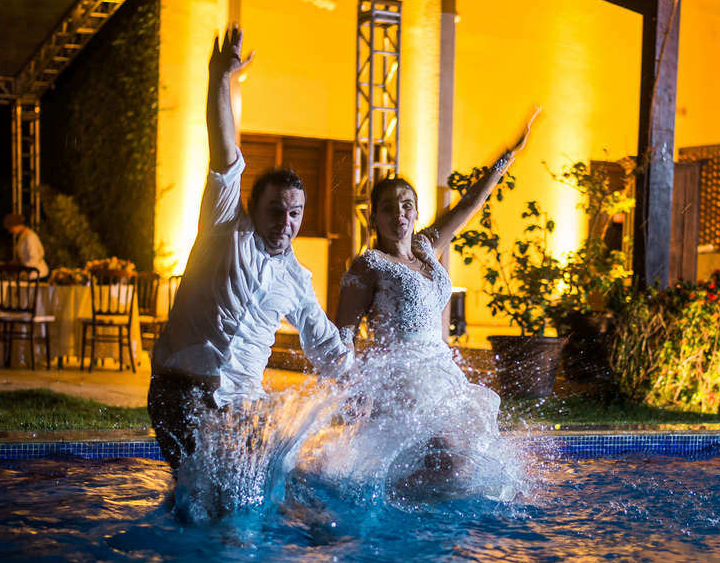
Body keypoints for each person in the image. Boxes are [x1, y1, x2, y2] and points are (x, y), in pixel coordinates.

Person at [148, 25, 352, 472]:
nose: (286, 222)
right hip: (181, 392)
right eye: (275, 209)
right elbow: (223, 153)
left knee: (263, 493)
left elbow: (328, 349)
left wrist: (375, 388)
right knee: (210, 498)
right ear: (252, 207)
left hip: (241, 406)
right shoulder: (225, 225)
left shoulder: (297, 281)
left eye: (295, 213)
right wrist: (220, 78)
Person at [330, 110, 538, 498]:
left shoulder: (427, 248)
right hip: (403, 376)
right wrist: (355, 386)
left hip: (441, 370)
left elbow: (471, 203)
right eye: (389, 207)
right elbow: (344, 332)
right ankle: (391, 500)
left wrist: (508, 156)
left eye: (407, 204)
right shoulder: (369, 264)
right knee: (454, 465)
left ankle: (418, 517)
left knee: (479, 463)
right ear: (374, 216)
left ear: (417, 211)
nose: (400, 213)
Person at [2, 213, 49, 277]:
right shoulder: (23, 236)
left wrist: (24, 272)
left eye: (10, 228)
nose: (10, 231)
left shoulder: (30, 237)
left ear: (16, 225)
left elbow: (33, 257)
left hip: (37, 274)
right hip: (30, 273)